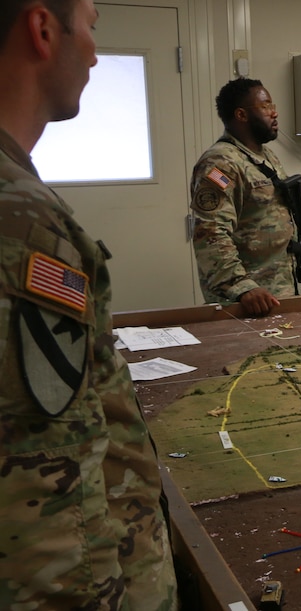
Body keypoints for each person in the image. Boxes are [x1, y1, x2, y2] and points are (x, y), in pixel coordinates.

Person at [0, 0, 178, 608]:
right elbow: (45, 492)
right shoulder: (22, 223)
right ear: (43, 29)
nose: (97, 55)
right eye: (93, 29)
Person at [190, 78, 295, 317]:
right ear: (241, 115)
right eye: (266, 106)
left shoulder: (263, 156)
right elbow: (211, 233)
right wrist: (242, 288)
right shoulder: (220, 163)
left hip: (276, 289)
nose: (274, 112)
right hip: (246, 299)